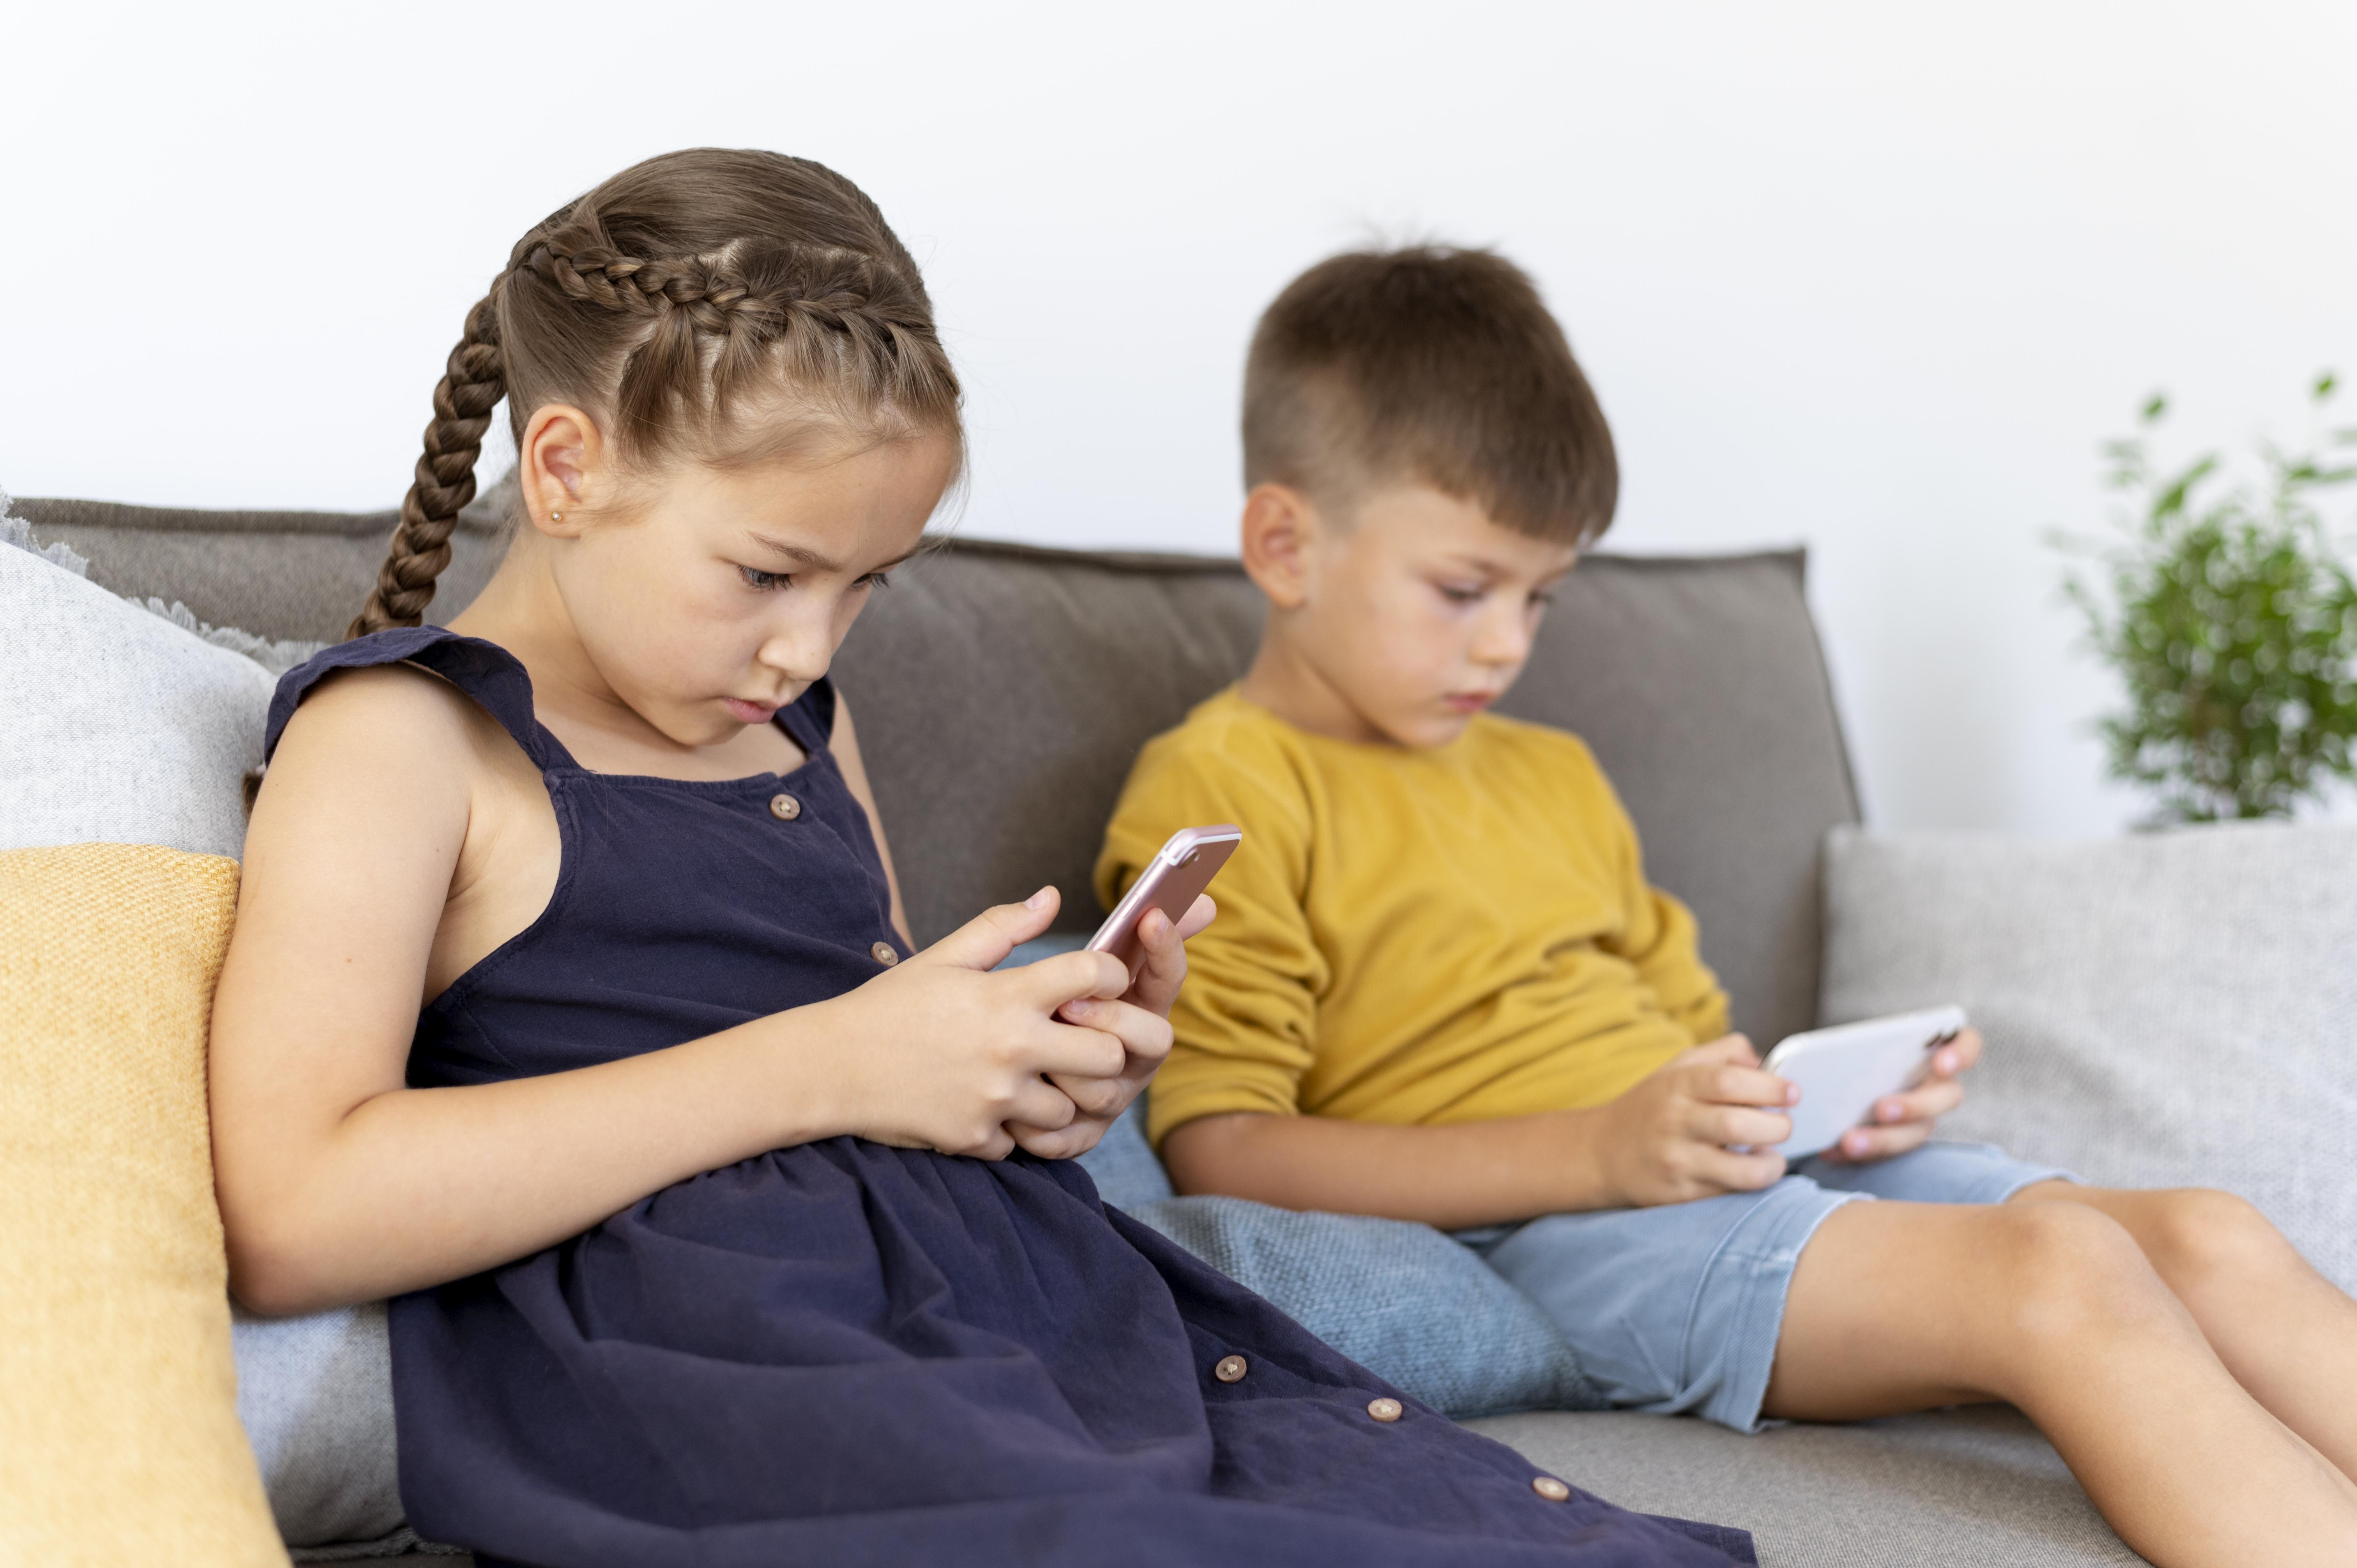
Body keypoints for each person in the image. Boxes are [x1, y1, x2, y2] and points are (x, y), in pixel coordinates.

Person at [206, 152, 1753, 1568]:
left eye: (866, 584)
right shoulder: (405, 742)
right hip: (740, 1370)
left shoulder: (795, 723)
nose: (810, 646)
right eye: (768, 571)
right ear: (564, 470)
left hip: (1024, 1314)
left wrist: (1037, 1078)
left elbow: (893, 1068)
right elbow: (294, 1211)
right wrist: (832, 1066)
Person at [1095, 244, 2357, 1568]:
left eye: (1540, 596)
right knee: (2061, 1271)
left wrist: (1823, 1102)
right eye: (1464, 591)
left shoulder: (1553, 772)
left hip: (1740, 1173)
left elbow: (1703, 1045)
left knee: (2210, 1235)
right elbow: (1226, 1151)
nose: (1507, 644)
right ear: (1285, 544)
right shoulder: (1228, 782)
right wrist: (1601, 1153)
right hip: (1574, 1232)